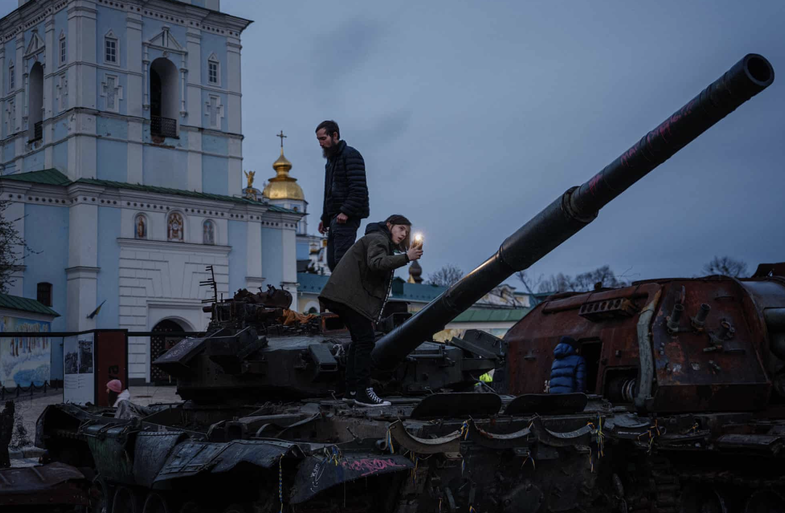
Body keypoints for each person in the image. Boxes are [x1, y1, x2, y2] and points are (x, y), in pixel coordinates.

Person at [319, 215, 423, 407]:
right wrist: (406, 257)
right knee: (366, 341)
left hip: (344, 297)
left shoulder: (378, 238)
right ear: (389, 225)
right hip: (348, 297)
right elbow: (376, 263)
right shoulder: (378, 238)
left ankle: (351, 391)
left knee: (359, 342)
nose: (403, 234)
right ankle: (363, 392)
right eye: (401, 228)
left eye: (406, 232)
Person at [315, 120, 370, 271]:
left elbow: (358, 189)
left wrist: (346, 211)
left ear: (335, 135)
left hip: (346, 218)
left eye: (323, 138)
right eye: (318, 139)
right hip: (334, 219)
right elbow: (329, 193)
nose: (320, 143)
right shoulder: (331, 161)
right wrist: (324, 219)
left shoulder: (350, 155)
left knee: (343, 262)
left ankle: (348, 294)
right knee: (333, 263)